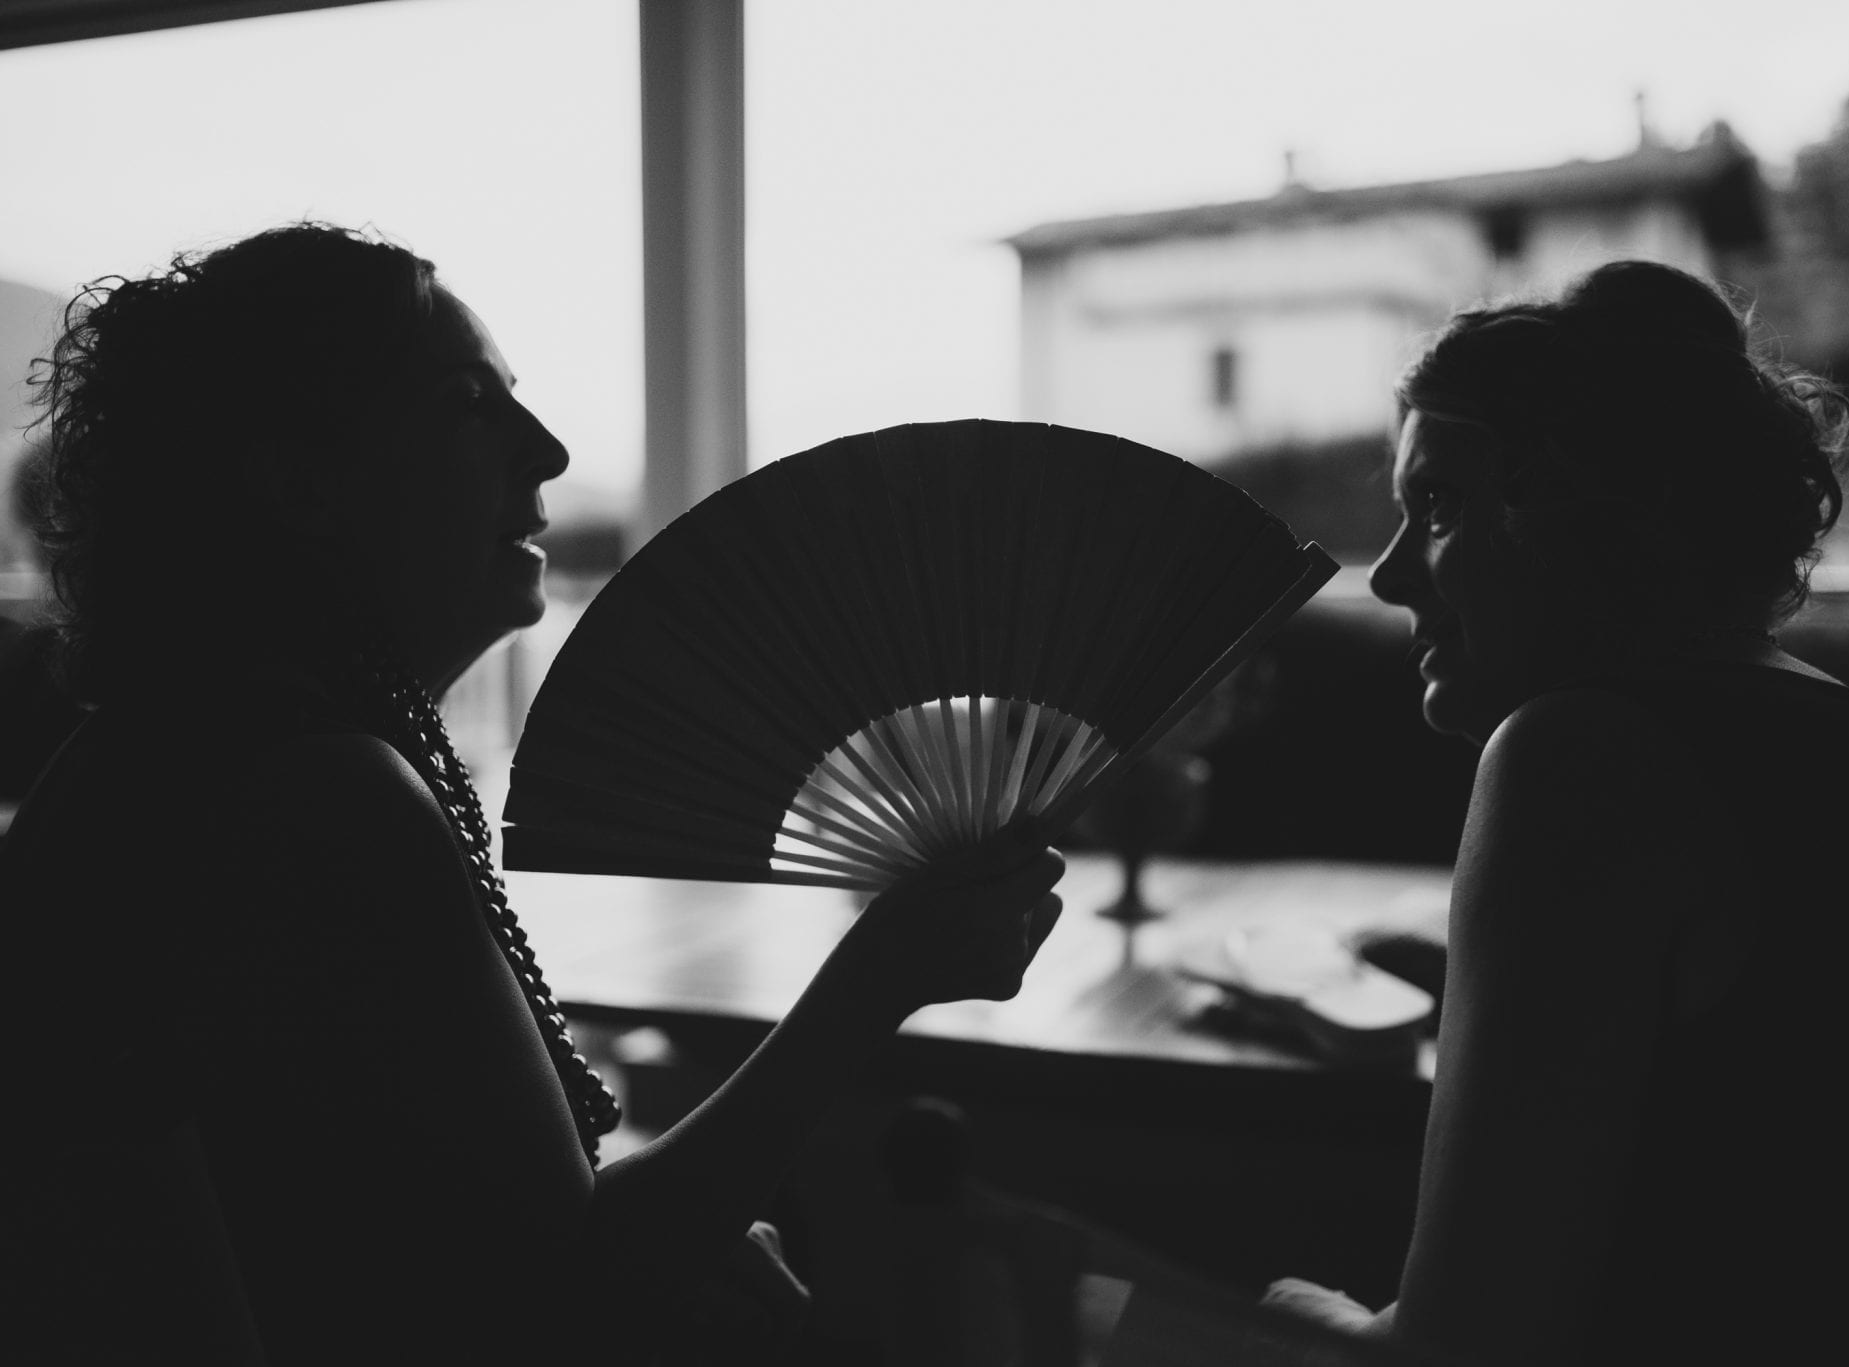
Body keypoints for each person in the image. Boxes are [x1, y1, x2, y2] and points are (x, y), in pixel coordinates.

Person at [0, 222, 1063, 1365]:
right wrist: (878, 977)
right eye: (468, 401)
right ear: (300, 479)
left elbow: (410, 1235)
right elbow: (566, 1297)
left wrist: (679, 1227)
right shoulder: (315, 791)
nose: (546, 449)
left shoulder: (184, 742)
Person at [1261, 260, 1849, 1364]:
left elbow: (1459, 1350)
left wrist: (1291, 1315)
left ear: (1589, 515)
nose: (1388, 577)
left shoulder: (1573, 755)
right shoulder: (1837, 724)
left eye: (1437, 506)